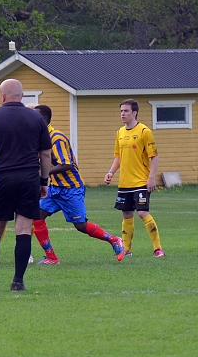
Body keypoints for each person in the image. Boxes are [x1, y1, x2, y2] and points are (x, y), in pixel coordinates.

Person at [0, 79, 51, 292]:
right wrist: (44, 181)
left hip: (2, 178)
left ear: (2, 96)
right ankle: (18, 282)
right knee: (23, 229)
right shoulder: (37, 119)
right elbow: (45, 153)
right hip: (29, 179)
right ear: (22, 96)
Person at [32, 105, 125, 263]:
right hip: (54, 189)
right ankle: (51, 257)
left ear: (44, 119)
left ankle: (114, 240)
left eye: (34, 117)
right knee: (37, 217)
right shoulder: (39, 137)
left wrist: (43, 173)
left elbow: (66, 164)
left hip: (71, 189)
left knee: (80, 226)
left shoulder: (56, 138)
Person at [103, 99, 163, 257]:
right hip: (125, 183)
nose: (123, 114)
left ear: (134, 113)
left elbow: (154, 157)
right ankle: (127, 250)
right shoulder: (120, 133)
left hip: (141, 181)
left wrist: (151, 178)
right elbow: (118, 157)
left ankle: (157, 248)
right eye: (121, 111)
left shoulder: (144, 131)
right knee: (127, 214)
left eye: (126, 111)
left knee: (142, 213)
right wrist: (111, 172)